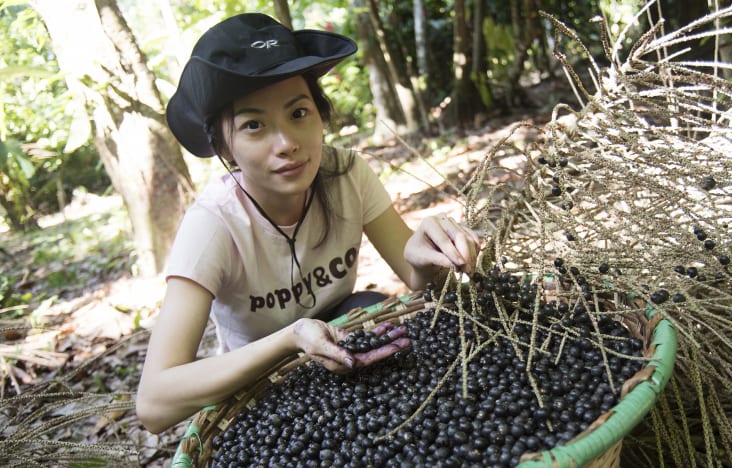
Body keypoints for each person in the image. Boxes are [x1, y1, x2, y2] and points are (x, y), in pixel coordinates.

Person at [136, 12, 480, 434]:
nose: (287, 143)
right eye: (254, 125)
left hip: (345, 346)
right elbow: (153, 405)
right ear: (224, 146)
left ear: (321, 115)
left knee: (378, 317)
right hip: (264, 379)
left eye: (298, 112)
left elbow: (419, 283)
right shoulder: (213, 225)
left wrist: (427, 254)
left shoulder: (347, 174)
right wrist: (290, 339)